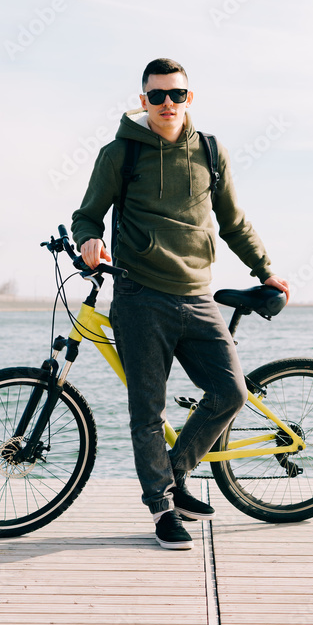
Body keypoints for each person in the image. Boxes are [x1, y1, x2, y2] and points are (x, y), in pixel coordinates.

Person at [71, 58, 290, 550]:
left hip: (197, 294)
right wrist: (89, 242)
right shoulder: (120, 155)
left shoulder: (211, 152)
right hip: (139, 295)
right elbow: (87, 215)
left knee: (230, 393)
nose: (167, 104)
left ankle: (174, 475)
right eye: (157, 96)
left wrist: (265, 269)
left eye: (176, 94)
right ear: (142, 99)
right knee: (147, 411)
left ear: (189, 97)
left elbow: (233, 221)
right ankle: (164, 509)